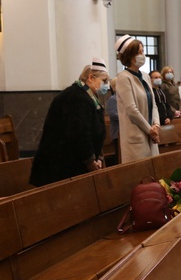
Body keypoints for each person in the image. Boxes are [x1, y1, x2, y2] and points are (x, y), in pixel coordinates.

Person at [30, 59, 109, 186]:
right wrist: (90, 161)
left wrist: (98, 156)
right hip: (60, 167)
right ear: (91, 78)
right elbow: (80, 133)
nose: (106, 85)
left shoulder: (86, 96)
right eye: (104, 81)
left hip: (70, 164)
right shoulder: (77, 98)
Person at [115, 34, 160, 163]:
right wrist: (150, 130)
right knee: (140, 176)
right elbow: (131, 109)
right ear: (130, 56)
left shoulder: (145, 76)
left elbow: (154, 104)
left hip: (151, 134)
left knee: (154, 174)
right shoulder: (124, 77)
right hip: (136, 137)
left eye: (143, 51)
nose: (142, 55)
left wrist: (156, 125)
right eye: (139, 52)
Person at [106, 78, 120, 165]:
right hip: (117, 132)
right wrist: (127, 117)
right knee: (119, 156)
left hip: (125, 132)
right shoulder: (113, 99)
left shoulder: (125, 98)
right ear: (114, 87)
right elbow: (113, 114)